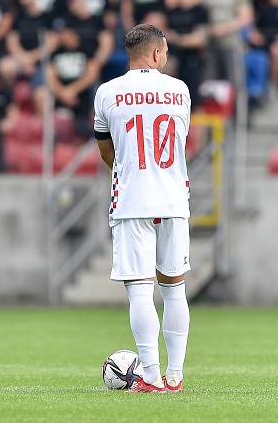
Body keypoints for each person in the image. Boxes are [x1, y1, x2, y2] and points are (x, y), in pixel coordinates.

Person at [93, 24, 191, 394]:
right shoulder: (180, 90)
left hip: (132, 199)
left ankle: (150, 377)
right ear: (157, 53)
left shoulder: (106, 92)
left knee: (139, 291)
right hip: (172, 199)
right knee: (174, 289)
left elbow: (106, 149)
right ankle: (176, 376)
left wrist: (129, 170)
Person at [203, 0, 253, 81]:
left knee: (235, 78)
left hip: (232, 42)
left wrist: (224, 29)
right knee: (211, 79)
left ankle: (238, 100)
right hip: (212, 42)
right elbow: (202, 18)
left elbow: (246, 18)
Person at [165, 0, 208, 108]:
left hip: (192, 58)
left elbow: (200, 39)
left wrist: (178, 40)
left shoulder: (199, 11)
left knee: (193, 99)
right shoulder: (172, 12)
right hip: (173, 58)